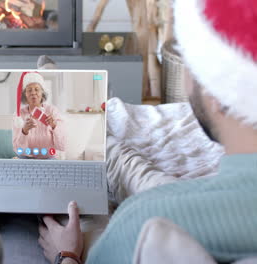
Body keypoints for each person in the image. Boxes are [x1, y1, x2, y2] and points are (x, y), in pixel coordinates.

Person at [38, 0, 257, 263]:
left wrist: (67, 255)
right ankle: (88, 119)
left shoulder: (146, 224)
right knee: (139, 175)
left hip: (141, 225)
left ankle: (79, 117)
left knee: (86, 211)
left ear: (219, 94)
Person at [12, 72, 66, 159]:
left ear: (42, 93)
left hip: (48, 158)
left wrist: (54, 126)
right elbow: (17, 149)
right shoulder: (19, 115)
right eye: (29, 90)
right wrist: (24, 131)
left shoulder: (52, 111)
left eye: (37, 89)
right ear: (25, 94)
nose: (33, 93)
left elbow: (62, 145)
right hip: (26, 158)